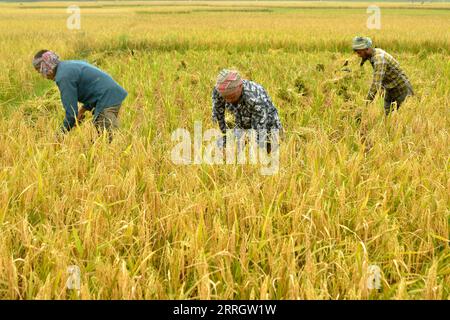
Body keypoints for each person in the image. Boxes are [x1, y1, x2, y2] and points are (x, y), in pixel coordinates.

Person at [32, 50, 128, 140]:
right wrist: (82, 111)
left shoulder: (64, 77)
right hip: (109, 94)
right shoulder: (67, 66)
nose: (42, 75)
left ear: (47, 66)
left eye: (40, 70)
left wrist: (59, 136)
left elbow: (71, 114)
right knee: (103, 137)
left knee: (109, 139)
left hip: (107, 98)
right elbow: (92, 88)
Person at [212, 69, 282, 153]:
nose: (228, 100)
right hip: (241, 123)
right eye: (225, 97)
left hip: (267, 126)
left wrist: (249, 149)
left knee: (266, 151)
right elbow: (217, 115)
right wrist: (225, 133)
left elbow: (259, 132)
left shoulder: (254, 98)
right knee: (219, 146)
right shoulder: (219, 90)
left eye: (232, 97)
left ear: (240, 86)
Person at [352, 36, 413, 115]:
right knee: (387, 115)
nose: (358, 55)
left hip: (401, 89)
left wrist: (366, 104)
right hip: (390, 88)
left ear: (367, 49)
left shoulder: (379, 59)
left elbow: (376, 84)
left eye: (359, 53)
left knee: (404, 116)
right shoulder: (373, 52)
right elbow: (365, 58)